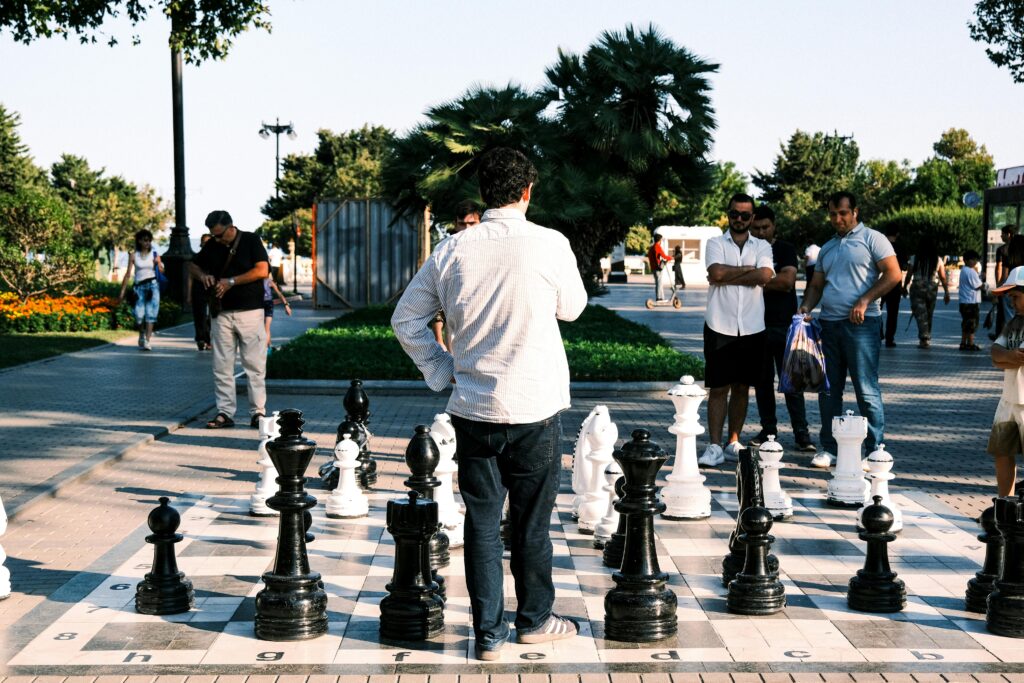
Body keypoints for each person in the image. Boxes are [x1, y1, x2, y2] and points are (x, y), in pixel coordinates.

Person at [392, 147, 587, 661]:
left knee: (481, 523)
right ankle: (535, 620)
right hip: (535, 405)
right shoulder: (550, 243)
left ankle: (488, 635)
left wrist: (441, 370)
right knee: (531, 524)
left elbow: (405, 320)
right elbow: (572, 308)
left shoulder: (453, 250)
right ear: (527, 192)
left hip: (474, 406)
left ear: (484, 194)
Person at [799, 191, 902, 468]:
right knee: (828, 390)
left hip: (862, 324)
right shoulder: (828, 248)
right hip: (828, 326)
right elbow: (817, 286)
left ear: (855, 211)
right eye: (833, 213)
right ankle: (829, 449)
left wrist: (865, 299)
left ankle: (875, 448)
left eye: (843, 213)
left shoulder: (873, 239)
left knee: (866, 389)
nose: (838, 218)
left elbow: (894, 274)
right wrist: (806, 307)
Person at [697, 193, 774, 467]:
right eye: (734, 214)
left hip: (752, 327)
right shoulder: (715, 243)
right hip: (720, 324)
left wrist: (728, 275)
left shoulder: (762, 246)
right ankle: (714, 446)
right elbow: (715, 273)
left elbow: (765, 276)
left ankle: (733, 441)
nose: (739, 219)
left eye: (745, 215)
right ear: (727, 214)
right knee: (718, 388)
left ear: (752, 218)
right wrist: (747, 273)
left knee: (742, 387)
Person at [189, 210, 270, 430]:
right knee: (221, 365)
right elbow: (192, 265)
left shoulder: (251, 240)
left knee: (254, 365)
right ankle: (225, 412)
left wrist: (231, 281)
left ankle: (258, 413)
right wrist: (202, 275)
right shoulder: (213, 245)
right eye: (212, 235)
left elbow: (262, 270)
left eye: (219, 234)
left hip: (250, 312)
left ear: (230, 227)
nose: (215, 239)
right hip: (221, 314)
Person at [748, 206, 816, 454]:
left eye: (765, 227)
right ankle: (768, 431)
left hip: (785, 325)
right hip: (756, 326)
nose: (761, 231)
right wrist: (762, 281)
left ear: (774, 226)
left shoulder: (785, 249)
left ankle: (802, 434)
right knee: (763, 384)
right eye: (756, 227)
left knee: (792, 384)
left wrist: (752, 280)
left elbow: (787, 282)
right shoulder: (748, 250)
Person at [987, 265, 1024, 496]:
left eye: (1017, 297)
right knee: (1002, 452)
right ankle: (1005, 503)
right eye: (1011, 297)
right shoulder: (1014, 324)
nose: (1012, 302)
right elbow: (995, 354)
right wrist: (1009, 357)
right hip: (1008, 400)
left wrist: (1006, 358)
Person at [430, 199, 483, 350]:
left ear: (480, 222)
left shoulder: (491, 250)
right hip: (455, 333)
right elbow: (437, 301)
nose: (466, 229)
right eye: (462, 224)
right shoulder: (446, 253)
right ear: (455, 224)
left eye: (472, 224)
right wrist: (439, 340)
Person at [117, 229, 164, 352]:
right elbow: (128, 274)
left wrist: (159, 264)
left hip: (152, 286)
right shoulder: (134, 255)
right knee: (139, 315)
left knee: (151, 314)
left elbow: (162, 271)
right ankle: (141, 333)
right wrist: (122, 292)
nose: (147, 242)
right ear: (139, 241)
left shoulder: (154, 254)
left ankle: (147, 340)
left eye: (149, 240)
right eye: (145, 240)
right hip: (139, 287)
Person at [903, 240, 950, 348]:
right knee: (929, 313)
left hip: (917, 287)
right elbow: (942, 277)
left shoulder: (914, 258)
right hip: (932, 288)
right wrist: (946, 292)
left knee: (920, 314)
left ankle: (924, 337)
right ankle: (926, 337)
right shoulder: (937, 259)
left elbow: (909, 274)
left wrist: (905, 287)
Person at [879, 227, 907, 348]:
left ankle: (878, 333)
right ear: (898, 234)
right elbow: (905, 267)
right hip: (895, 284)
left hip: (880, 284)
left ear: (885, 233)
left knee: (876, 310)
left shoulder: (881, 247)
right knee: (892, 313)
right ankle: (890, 339)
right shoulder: (901, 248)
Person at [186, 233, 213, 350]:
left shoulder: (216, 258)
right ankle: (201, 339)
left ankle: (209, 339)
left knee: (211, 316)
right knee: (199, 316)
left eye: (209, 242)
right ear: (201, 244)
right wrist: (188, 295)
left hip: (212, 291)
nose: (206, 244)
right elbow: (190, 277)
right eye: (204, 242)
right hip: (198, 290)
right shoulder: (195, 258)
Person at [992, 225, 1018, 339]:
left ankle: (1009, 339)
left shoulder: (1003, 250)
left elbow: (1000, 270)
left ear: (1009, 234)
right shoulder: (1021, 248)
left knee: (1008, 315)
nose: (1001, 236)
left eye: (1002, 233)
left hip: (1009, 287)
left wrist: (998, 288)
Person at [959, 249, 984, 351]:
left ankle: (963, 343)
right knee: (972, 324)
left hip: (963, 301)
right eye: (974, 260)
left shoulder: (964, 270)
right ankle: (971, 343)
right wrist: (985, 285)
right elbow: (978, 286)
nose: (975, 262)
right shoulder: (970, 271)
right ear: (968, 260)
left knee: (965, 323)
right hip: (971, 302)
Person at [263, 275, 292, 351]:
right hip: (269, 304)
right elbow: (279, 294)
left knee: (264, 328)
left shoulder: (256, 281)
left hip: (260, 305)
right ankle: (268, 349)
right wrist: (286, 305)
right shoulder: (270, 281)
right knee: (267, 328)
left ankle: (266, 349)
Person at [647, 230, 671, 301]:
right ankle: (659, 298)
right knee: (659, 283)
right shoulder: (657, 246)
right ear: (659, 240)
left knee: (658, 282)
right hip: (657, 268)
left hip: (653, 267)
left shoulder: (651, 248)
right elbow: (664, 256)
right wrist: (671, 258)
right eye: (661, 240)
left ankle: (661, 297)